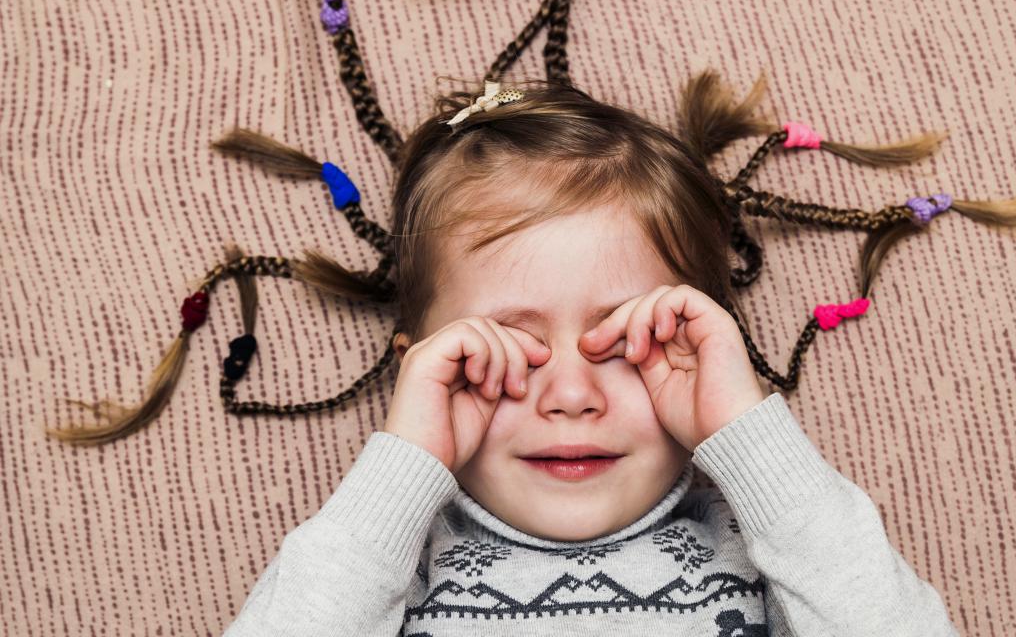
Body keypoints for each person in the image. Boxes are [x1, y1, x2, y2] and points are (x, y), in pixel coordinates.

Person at [221, 78, 962, 636]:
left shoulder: (772, 551)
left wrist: (749, 433)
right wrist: (400, 467)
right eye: (514, 346)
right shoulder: (381, 570)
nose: (572, 395)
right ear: (425, 374)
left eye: (623, 341)